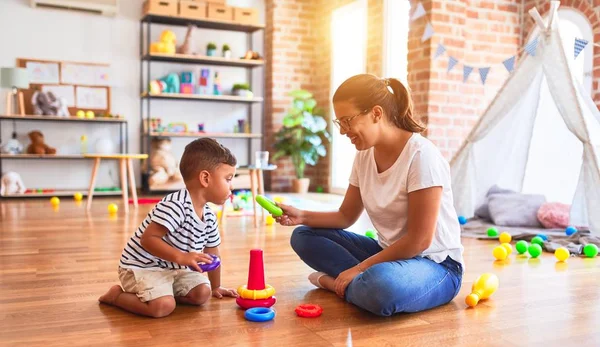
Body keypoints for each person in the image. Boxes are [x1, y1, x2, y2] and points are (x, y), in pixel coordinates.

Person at [276, 74, 464, 317]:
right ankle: (358, 285)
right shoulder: (364, 156)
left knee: (380, 286)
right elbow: (345, 216)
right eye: (339, 122)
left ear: (376, 113)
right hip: (386, 255)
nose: (343, 131)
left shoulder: (421, 156)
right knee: (303, 236)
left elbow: (419, 241)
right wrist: (301, 215)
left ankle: (335, 283)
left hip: (437, 266)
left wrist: (360, 268)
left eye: (347, 121)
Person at [99, 138, 239, 318]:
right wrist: (182, 257)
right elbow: (148, 239)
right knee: (162, 307)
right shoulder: (176, 205)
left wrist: (216, 287)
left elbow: (213, 253)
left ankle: (163, 292)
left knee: (202, 293)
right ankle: (116, 296)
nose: (232, 186)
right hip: (142, 267)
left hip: (173, 267)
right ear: (205, 178)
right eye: (228, 179)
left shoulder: (209, 216)